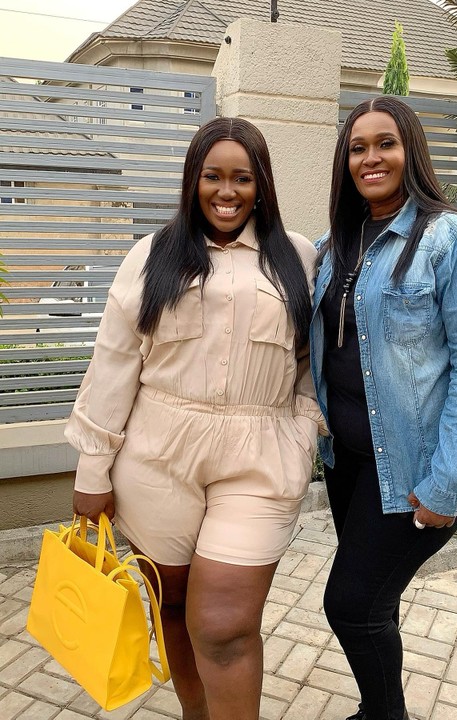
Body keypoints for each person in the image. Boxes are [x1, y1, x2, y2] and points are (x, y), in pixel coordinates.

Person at [65, 117, 324, 720]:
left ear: (262, 185)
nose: (226, 191)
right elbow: (114, 362)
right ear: (193, 180)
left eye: (242, 178)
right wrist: (92, 471)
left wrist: (302, 428)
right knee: (174, 610)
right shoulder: (151, 254)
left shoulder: (298, 256)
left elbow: (311, 359)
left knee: (225, 625)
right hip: (157, 456)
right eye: (213, 176)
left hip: (259, 458)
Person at [310, 96, 457, 720]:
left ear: (411, 150)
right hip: (348, 462)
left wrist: (447, 484)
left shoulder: (453, 240)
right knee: (375, 604)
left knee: (350, 605)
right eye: (357, 147)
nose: (371, 158)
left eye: (385, 143)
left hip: (416, 467)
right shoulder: (332, 245)